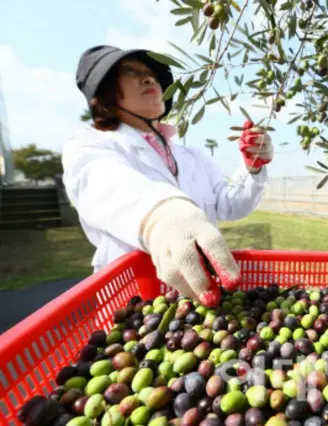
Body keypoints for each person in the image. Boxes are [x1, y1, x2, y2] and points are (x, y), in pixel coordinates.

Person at [63, 46, 274, 307]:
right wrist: (162, 214)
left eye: (151, 73)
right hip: (134, 304)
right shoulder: (91, 144)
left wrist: (252, 166)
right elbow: (101, 181)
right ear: (105, 94)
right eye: (131, 71)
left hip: (201, 299)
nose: (149, 78)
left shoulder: (192, 156)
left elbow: (230, 205)